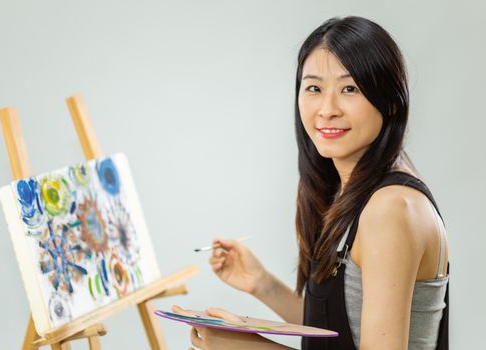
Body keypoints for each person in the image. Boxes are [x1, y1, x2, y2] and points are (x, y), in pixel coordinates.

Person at [173, 16, 450, 350]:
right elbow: (334, 333)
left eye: (350, 89)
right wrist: (263, 285)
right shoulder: (350, 190)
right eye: (314, 88)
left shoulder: (391, 208)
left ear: (390, 100)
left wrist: (244, 346)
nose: (327, 109)